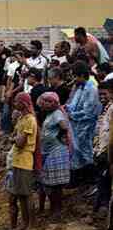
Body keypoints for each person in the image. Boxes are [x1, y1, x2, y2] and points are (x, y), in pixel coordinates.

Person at [36, 91, 71, 221]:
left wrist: (59, 137)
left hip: (56, 151)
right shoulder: (50, 114)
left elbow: (64, 126)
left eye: (48, 101)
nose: (44, 103)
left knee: (55, 184)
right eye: (44, 101)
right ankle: (54, 209)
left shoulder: (57, 114)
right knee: (51, 183)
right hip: (50, 151)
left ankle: (57, 210)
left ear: (54, 103)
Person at [6, 91, 38, 230]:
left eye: (17, 102)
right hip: (17, 160)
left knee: (27, 194)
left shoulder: (30, 120)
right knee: (20, 194)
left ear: (23, 103)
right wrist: (14, 138)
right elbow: (14, 136)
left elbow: (19, 142)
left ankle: (31, 224)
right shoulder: (21, 119)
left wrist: (14, 139)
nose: (14, 104)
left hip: (25, 160)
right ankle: (25, 223)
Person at [66, 62, 101, 185]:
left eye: (75, 76)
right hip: (76, 126)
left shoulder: (91, 89)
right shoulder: (80, 88)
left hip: (86, 126)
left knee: (86, 151)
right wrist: (67, 108)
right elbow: (74, 105)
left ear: (82, 75)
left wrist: (72, 115)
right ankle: (79, 179)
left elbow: (88, 112)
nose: (74, 79)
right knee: (76, 151)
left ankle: (90, 179)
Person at [92, 74, 113, 221]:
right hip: (101, 152)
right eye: (100, 95)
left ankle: (104, 209)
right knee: (102, 179)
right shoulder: (105, 109)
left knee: (105, 181)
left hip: (108, 154)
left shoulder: (111, 110)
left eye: (104, 94)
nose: (101, 97)